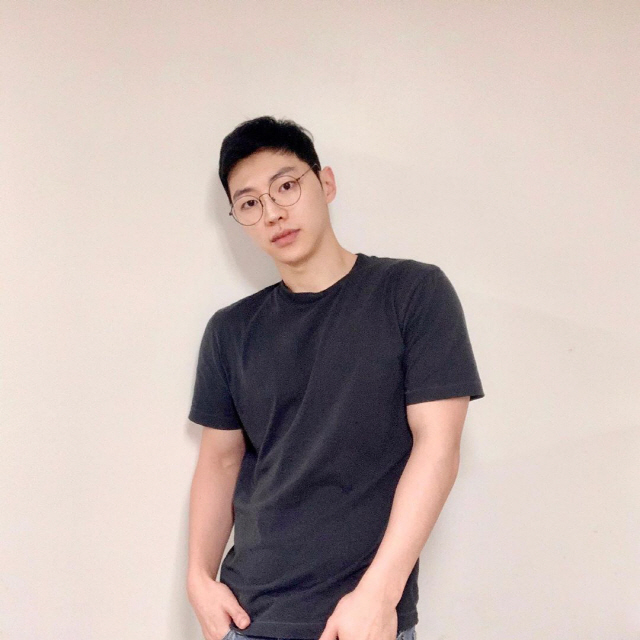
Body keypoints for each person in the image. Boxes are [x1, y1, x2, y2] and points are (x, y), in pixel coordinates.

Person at [186, 116, 485, 640]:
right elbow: (220, 460)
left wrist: (380, 594)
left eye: (286, 186)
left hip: (361, 620)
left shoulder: (412, 293)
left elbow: (438, 447)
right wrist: (197, 579)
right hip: (245, 619)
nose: (273, 212)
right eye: (250, 203)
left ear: (325, 183)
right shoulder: (230, 331)